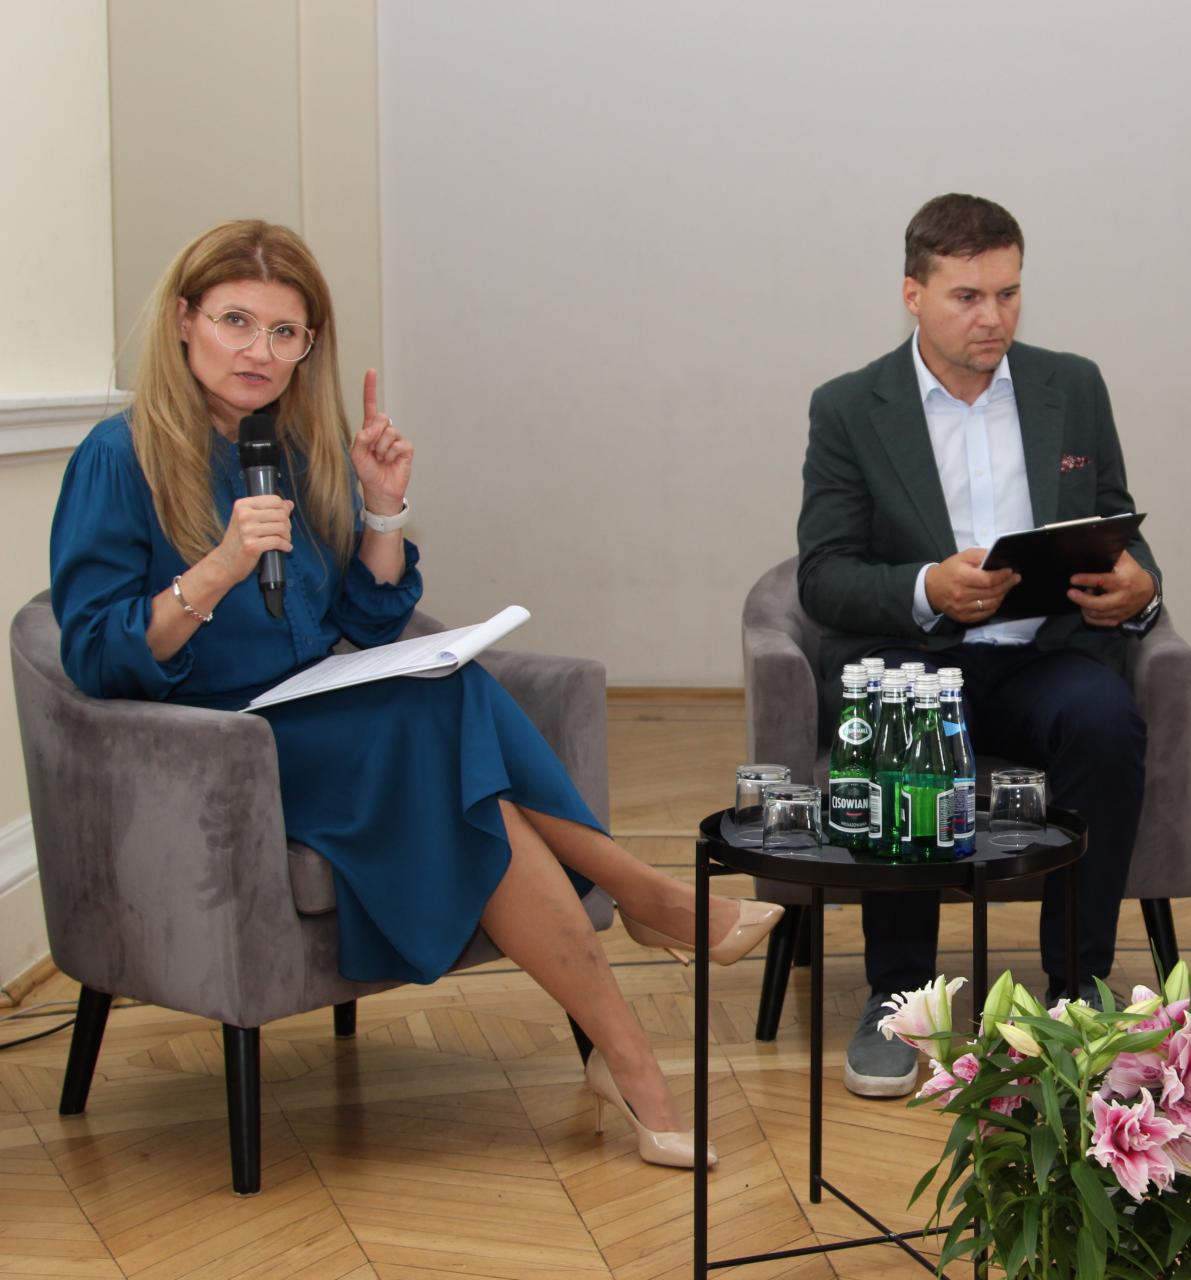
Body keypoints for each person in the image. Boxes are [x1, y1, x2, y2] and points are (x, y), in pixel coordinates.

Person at [48, 220, 781, 1170]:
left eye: (284, 332)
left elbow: (369, 617)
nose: (258, 351)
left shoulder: (294, 447)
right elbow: (94, 655)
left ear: (309, 345)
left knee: (452, 713)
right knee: (441, 710)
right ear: (185, 320)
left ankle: (631, 1054)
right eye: (236, 321)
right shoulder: (118, 457)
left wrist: (383, 508)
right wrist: (217, 569)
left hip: (325, 717)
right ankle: (644, 901)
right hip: (214, 755)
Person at [797, 194, 1163, 1097]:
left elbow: (1117, 522)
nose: (992, 316)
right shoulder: (849, 408)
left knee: (1106, 719)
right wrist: (928, 587)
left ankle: (1077, 991)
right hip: (919, 658)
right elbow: (824, 574)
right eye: (967, 296)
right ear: (913, 295)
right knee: (900, 716)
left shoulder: (1072, 387)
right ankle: (900, 999)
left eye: (1008, 293)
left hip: (1042, 657)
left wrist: (1141, 587)